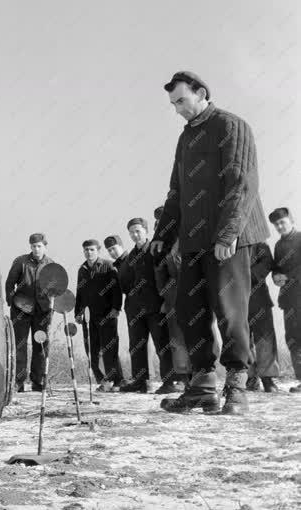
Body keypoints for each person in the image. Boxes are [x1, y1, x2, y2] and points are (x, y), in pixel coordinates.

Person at [152, 71, 270, 414]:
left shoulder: (232, 126)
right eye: (173, 104)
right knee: (190, 310)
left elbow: (242, 183)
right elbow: (177, 191)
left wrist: (228, 233)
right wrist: (163, 234)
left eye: (181, 101)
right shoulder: (185, 138)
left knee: (230, 310)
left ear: (201, 93)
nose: (177, 109)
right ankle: (202, 386)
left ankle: (236, 384)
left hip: (229, 239)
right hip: (193, 239)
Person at [121, 218, 174, 394]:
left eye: (138, 231)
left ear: (146, 230)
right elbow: (126, 281)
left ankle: (169, 381)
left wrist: (165, 300)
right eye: (132, 232)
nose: (135, 235)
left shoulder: (155, 250)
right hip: (135, 309)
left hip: (156, 306)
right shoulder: (130, 256)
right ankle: (140, 381)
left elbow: (165, 275)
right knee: (136, 346)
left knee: (162, 344)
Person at [5, 233, 54, 392]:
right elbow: (9, 283)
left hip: (43, 310)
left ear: (45, 246)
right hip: (21, 308)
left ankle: (38, 380)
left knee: (40, 345)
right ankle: (18, 381)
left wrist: (52, 307)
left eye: (39, 246)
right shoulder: (21, 261)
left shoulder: (51, 264)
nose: (36, 249)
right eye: (33, 246)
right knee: (19, 345)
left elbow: (56, 288)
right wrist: (10, 301)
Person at [74, 239, 124, 391]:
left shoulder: (108, 266)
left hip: (107, 314)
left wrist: (116, 308)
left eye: (92, 250)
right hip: (89, 317)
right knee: (92, 350)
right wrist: (78, 312)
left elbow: (117, 290)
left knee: (109, 348)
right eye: (86, 250)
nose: (89, 252)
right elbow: (80, 293)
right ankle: (103, 381)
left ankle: (115, 380)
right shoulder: (82, 269)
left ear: (98, 250)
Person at [153, 206, 190, 392]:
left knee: (200, 334)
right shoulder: (162, 245)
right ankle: (184, 377)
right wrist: (166, 293)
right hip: (173, 295)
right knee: (176, 338)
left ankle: (203, 375)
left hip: (194, 291)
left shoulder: (190, 236)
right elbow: (159, 272)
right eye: (159, 223)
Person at [269, 207, 301, 393]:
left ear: (291, 219)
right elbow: (276, 267)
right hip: (288, 299)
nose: (280, 226)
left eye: (282, 222)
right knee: (293, 339)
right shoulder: (279, 246)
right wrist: (276, 276)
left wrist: (288, 277)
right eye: (276, 224)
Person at [246, 242, 281, 392]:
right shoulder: (228, 241)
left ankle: (267, 378)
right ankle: (249, 377)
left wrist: (246, 275)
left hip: (259, 298)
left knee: (265, 338)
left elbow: (267, 262)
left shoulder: (259, 243)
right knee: (242, 339)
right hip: (235, 299)